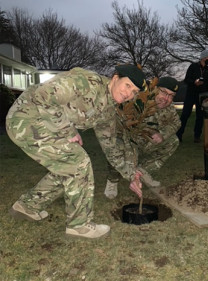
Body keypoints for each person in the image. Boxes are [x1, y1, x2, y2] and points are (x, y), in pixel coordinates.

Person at [6, 65, 146, 239]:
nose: (129, 94)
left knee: (67, 168)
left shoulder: (109, 110)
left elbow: (111, 148)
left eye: (134, 92)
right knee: (78, 162)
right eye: (127, 86)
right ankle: (79, 226)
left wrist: (131, 175)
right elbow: (42, 95)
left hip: (45, 125)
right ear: (115, 78)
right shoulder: (87, 82)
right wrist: (68, 130)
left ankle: (27, 206)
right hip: (26, 118)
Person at [104, 76, 182, 199]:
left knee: (173, 141)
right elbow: (124, 133)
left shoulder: (168, 109)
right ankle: (113, 180)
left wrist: (163, 134)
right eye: (164, 92)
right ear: (155, 89)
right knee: (116, 146)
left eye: (171, 96)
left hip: (146, 143)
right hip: (127, 141)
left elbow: (176, 123)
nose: (166, 99)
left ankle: (142, 171)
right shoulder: (137, 101)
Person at [176, 49, 208, 143]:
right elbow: (186, 80)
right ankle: (178, 135)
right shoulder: (193, 67)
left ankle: (197, 136)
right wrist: (194, 82)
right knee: (185, 114)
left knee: (200, 116)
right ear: (203, 58)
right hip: (191, 94)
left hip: (202, 96)